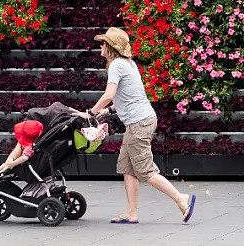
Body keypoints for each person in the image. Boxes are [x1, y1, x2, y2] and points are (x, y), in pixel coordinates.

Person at [77, 27, 196, 224]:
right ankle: (131, 212)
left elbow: (109, 94)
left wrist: (91, 113)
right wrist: (108, 111)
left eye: (103, 43)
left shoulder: (116, 65)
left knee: (145, 170)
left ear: (110, 46)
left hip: (138, 123)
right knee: (127, 167)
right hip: (142, 120)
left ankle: (181, 199)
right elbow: (129, 96)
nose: (101, 47)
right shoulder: (128, 64)